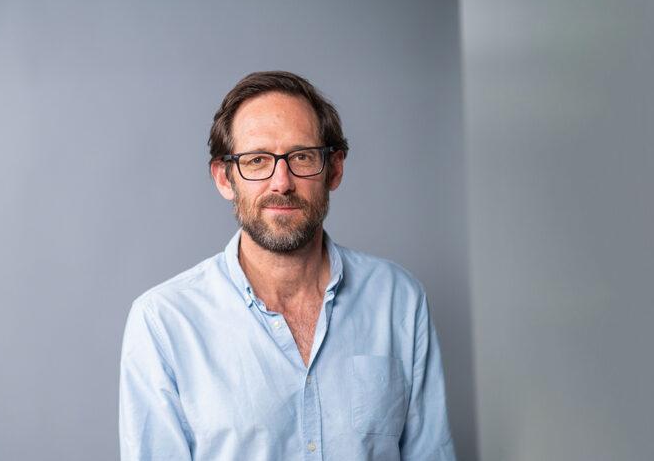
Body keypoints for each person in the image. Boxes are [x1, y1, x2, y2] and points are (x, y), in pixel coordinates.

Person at [118, 71, 456, 460]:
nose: (282, 182)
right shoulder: (164, 322)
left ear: (334, 169)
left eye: (301, 157)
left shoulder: (398, 300)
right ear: (224, 179)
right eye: (257, 160)